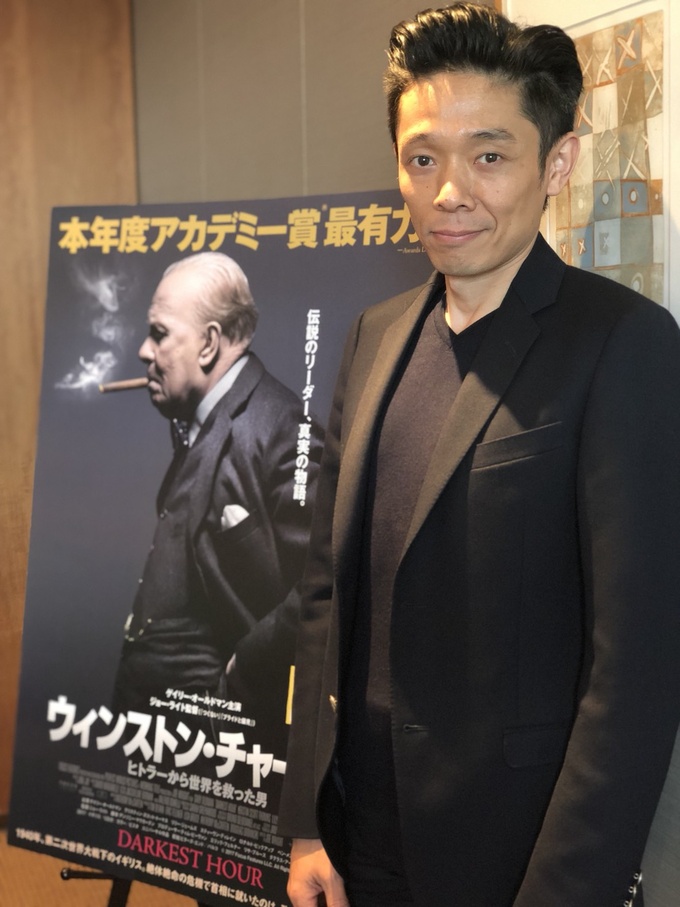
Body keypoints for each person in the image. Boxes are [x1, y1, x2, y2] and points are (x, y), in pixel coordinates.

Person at [278, 4, 680, 906]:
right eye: (422, 159)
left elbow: (636, 670)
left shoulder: (621, 344)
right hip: (359, 837)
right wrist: (306, 820)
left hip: (513, 851)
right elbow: (323, 595)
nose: (449, 191)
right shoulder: (374, 336)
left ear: (557, 164)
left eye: (489, 156)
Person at [113, 251, 323, 737]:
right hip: (155, 728)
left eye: (159, 333)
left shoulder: (283, 430)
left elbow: (322, 582)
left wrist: (242, 670)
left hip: (213, 736)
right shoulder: (199, 415)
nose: (144, 351)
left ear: (208, 343)